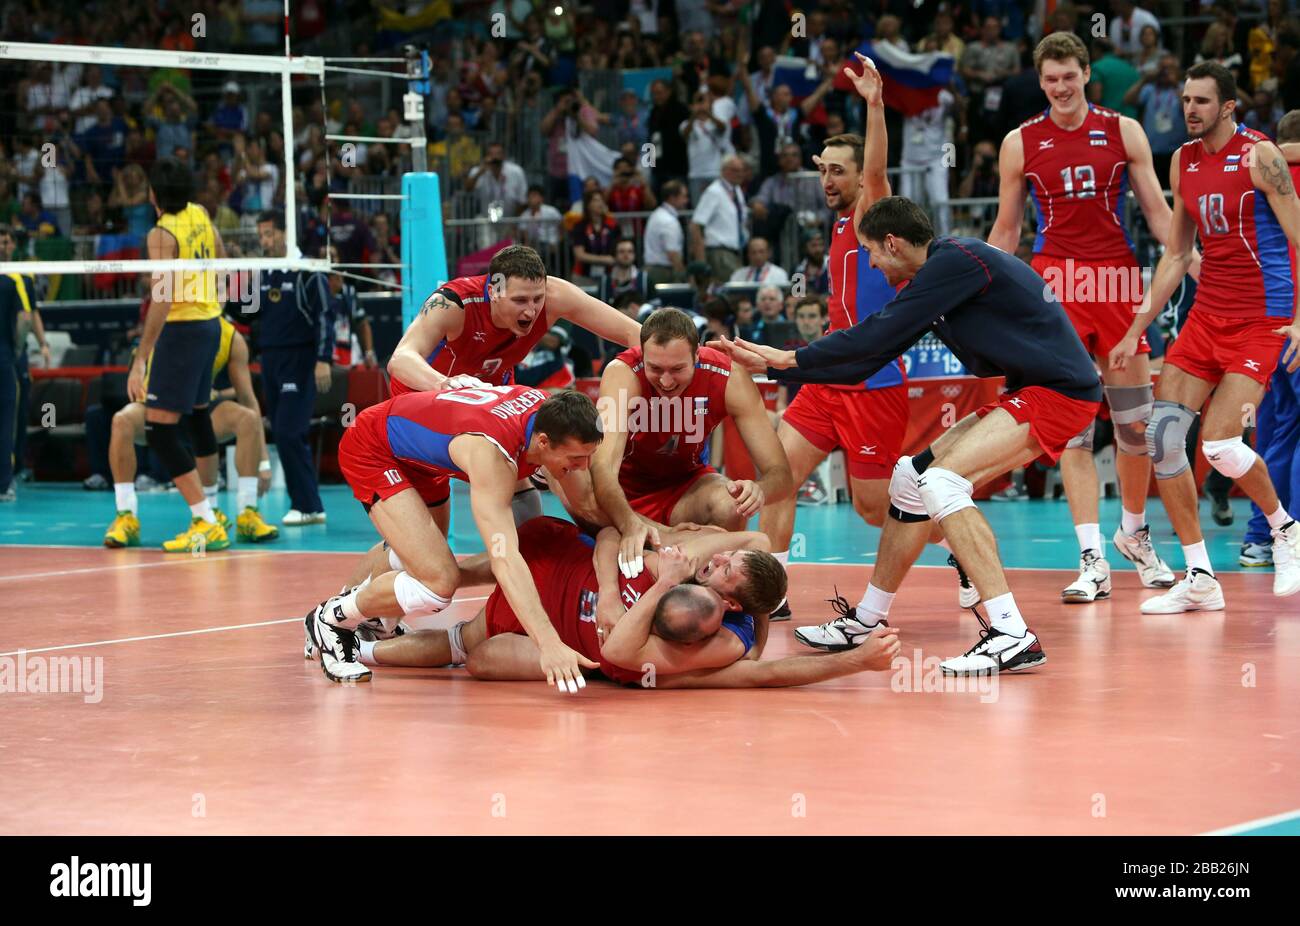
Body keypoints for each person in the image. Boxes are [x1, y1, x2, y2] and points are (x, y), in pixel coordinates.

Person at [714, 196, 1105, 675]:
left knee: (942, 482)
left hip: (1060, 392)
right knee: (909, 476)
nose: (873, 264)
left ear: (893, 243)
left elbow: (875, 335)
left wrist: (788, 358)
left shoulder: (954, 262)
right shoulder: (934, 280)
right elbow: (871, 355)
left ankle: (1011, 633)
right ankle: (867, 620)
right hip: (1032, 389)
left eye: (873, 253)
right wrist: (782, 368)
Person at [757, 58, 968, 624]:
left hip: (873, 382)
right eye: (822, 170)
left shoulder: (872, 217)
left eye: (838, 172)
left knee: (877, 510)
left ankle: (962, 548)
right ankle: (770, 593)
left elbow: (877, 169)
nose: (828, 180)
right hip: (829, 379)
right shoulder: (833, 227)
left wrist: (875, 104)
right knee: (777, 477)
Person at [989, 32, 1182, 603]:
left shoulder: (1123, 129)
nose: (1061, 87)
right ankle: (1091, 556)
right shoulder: (1020, 142)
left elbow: (1156, 212)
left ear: (1086, 73)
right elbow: (1007, 228)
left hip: (1118, 280)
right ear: (1041, 81)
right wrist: (982, 284)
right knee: (1071, 424)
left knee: (1133, 423)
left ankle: (1134, 533)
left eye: (1069, 76)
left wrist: (1194, 256)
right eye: (1050, 79)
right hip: (1056, 287)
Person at [1110, 62, 1300, 610]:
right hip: (1206, 316)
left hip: (1263, 318)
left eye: (1200, 101)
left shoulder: (1261, 155)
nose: (1189, 108)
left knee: (1218, 445)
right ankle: (1200, 578)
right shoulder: (1182, 161)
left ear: (1228, 106)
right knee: (1164, 440)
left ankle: (1283, 529)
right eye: (1185, 99)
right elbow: (1175, 256)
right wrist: (1135, 329)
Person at [348, 516, 900, 690]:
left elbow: (761, 675)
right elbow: (613, 536)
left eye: (725, 571)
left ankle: (358, 651)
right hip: (567, 566)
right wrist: (611, 590)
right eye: (723, 559)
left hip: (560, 627)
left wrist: (858, 660)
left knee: (466, 648)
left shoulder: (709, 628)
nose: (719, 560)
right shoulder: (694, 570)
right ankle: (392, 577)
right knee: (472, 571)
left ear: (727, 604)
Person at [306, 385, 605, 687]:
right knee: (437, 584)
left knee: (422, 556)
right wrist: (548, 642)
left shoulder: (552, 415)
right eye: (577, 458)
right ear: (543, 442)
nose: (584, 467)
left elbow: (585, 500)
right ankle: (331, 618)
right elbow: (505, 560)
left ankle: (370, 615)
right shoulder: (493, 457)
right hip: (373, 448)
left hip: (422, 458)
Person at [586, 306, 792, 576]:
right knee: (577, 485)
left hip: (684, 493)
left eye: (678, 369)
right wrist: (630, 524)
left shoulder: (728, 377)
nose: (667, 381)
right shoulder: (623, 373)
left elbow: (781, 475)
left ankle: (714, 586)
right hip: (621, 496)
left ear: (697, 355)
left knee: (731, 501)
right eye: (655, 368)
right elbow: (601, 471)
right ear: (643, 355)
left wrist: (760, 490)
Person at [124, 158, 231, 550]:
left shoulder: (161, 232)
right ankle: (215, 511)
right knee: (199, 415)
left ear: (153, 195)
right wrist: (213, 300)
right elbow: (221, 257)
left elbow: (163, 297)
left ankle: (204, 519)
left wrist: (141, 356)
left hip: (184, 328)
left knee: (160, 429)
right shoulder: (200, 212)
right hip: (210, 324)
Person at [103, 317, 278, 547]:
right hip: (157, 407)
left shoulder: (229, 337)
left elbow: (247, 398)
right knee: (121, 421)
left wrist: (264, 462)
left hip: (199, 410)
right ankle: (126, 517)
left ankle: (247, 513)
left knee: (247, 418)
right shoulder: (162, 321)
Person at [254, 210, 333, 526]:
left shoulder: (307, 270)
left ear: (286, 233)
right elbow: (248, 312)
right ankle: (307, 504)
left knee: (290, 431)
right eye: (261, 234)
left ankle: (308, 505)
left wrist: (324, 358)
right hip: (270, 360)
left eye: (269, 233)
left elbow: (326, 314)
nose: (264, 240)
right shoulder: (264, 271)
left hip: (299, 360)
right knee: (283, 431)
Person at [689, 155, 749, 282]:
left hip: (736, 251)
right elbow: (696, 225)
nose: (740, 174)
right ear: (724, 171)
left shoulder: (737, 190)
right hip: (719, 253)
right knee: (734, 289)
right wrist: (701, 261)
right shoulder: (714, 192)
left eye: (742, 170)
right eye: (735, 170)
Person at [643, 179, 689, 287]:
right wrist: (683, 276)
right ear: (672, 197)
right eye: (684, 196)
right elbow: (672, 254)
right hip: (661, 272)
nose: (686, 200)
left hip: (653, 268)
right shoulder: (668, 221)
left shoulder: (657, 214)